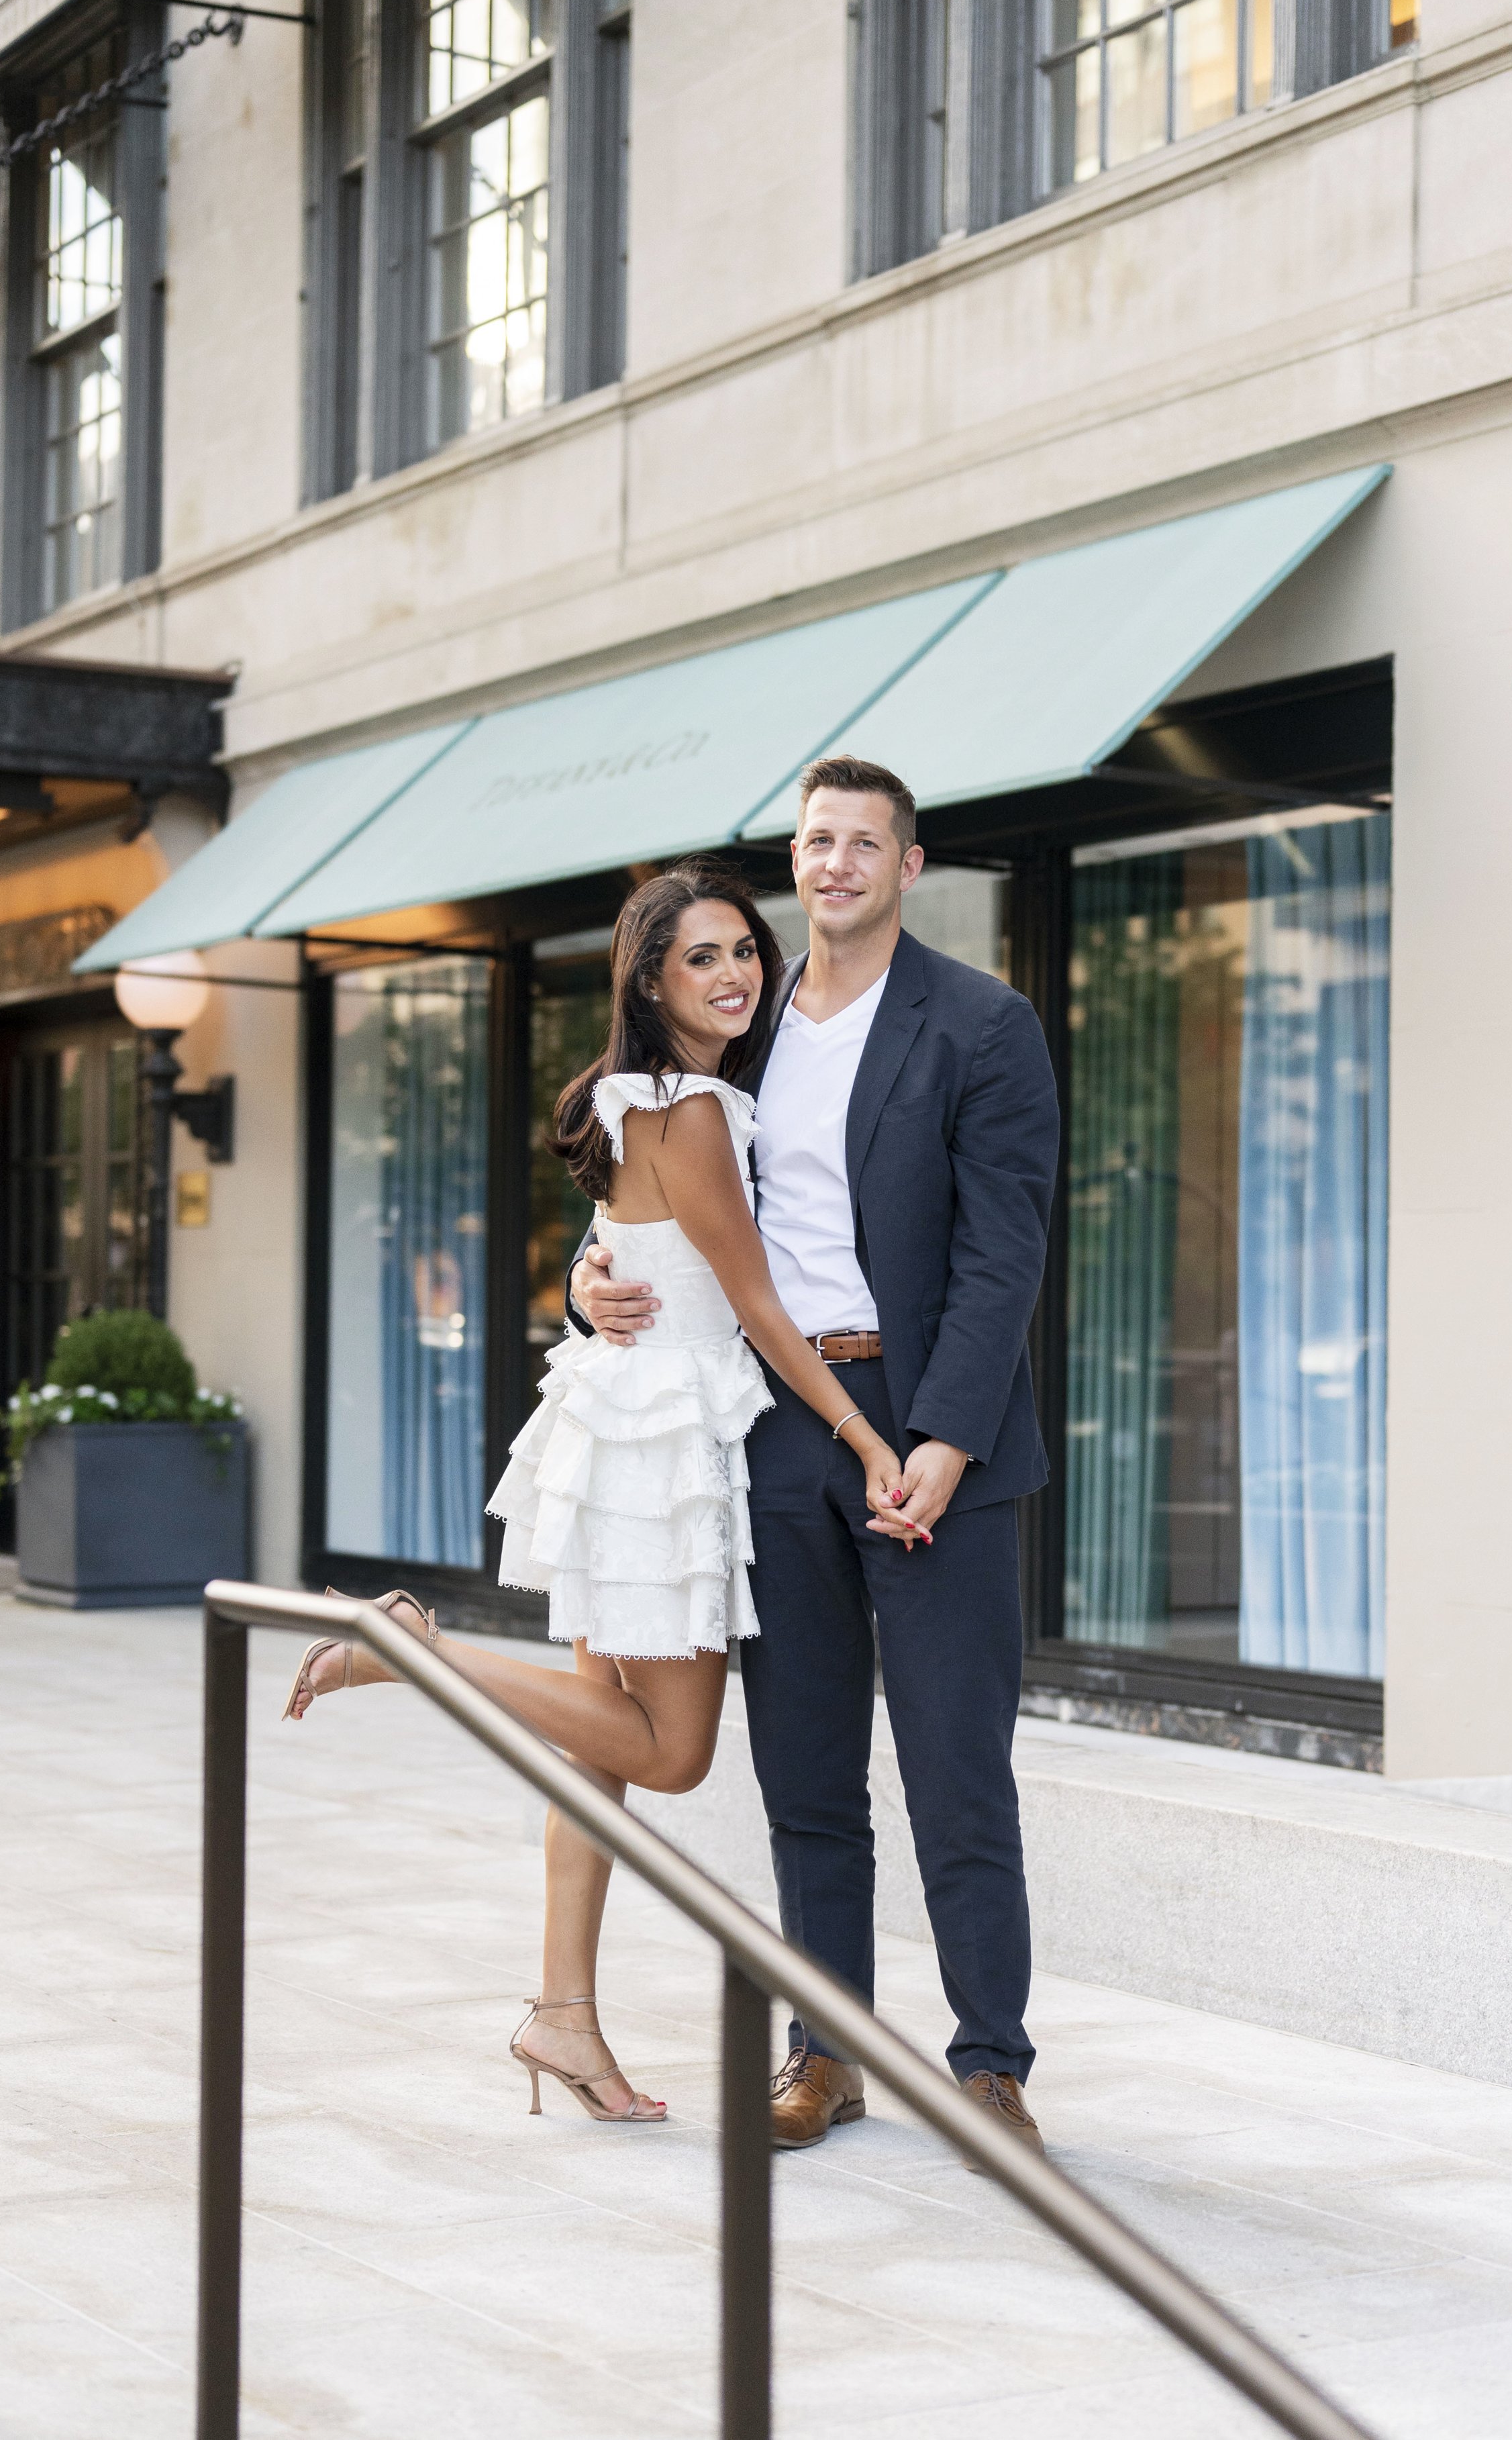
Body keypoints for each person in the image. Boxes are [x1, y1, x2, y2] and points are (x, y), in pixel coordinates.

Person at [283, 856, 917, 2125]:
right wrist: (863, 1435)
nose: (735, 973)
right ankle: (413, 1650)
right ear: (650, 977)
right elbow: (758, 1303)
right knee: (671, 1753)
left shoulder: (665, 1101)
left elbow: (630, 1250)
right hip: (662, 1440)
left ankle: (561, 2014)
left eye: (745, 950)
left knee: (595, 1744)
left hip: (621, 1418)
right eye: (703, 957)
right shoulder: (687, 1111)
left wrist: (584, 1273)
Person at [572, 755, 1060, 2161]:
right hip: (778, 1437)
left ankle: (987, 2071)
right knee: (804, 1776)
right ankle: (823, 2053)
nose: (833, 862)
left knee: (956, 1774)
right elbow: (652, 1189)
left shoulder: (981, 1023)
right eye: (812, 840)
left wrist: (945, 1439)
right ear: (795, 863)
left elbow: (1003, 1247)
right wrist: (583, 1279)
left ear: (907, 867)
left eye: (862, 842)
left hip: (931, 1447)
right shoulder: (743, 1029)